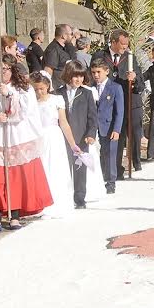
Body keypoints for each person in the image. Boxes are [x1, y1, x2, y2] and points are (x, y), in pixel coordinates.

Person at [0, 55, 53, 232]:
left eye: (5, 69)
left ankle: (14, 215)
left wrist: (10, 95)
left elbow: (27, 110)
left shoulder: (23, 89)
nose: (0, 72)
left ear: (12, 70)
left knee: (15, 178)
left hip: (16, 136)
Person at [93, 29, 144, 179]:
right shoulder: (100, 56)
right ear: (113, 42)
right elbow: (93, 75)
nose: (125, 47)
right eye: (122, 44)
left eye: (127, 44)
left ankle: (130, 163)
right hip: (106, 102)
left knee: (127, 134)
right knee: (112, 136)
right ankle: (112, 170)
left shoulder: (130, 57)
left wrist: (134, 78)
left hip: (127, 100)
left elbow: (140, 82)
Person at [30, 72, 80, 218]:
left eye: (41, 88)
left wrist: (72, 144)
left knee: (56, 169)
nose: (39, 92)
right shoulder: (32, 102)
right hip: (38, 137)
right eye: (36, 89)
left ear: (48, 86)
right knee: (42, 169)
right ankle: (42, 203)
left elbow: (63, 123)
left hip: (53, 136)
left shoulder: (56, 100)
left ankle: (58, 202)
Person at [56, 60, 98, 209]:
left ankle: (80, 198)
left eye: (81, 76)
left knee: (80, 168)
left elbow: (92, 117)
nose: (78, 80)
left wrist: (91, 134)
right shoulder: (58, 93)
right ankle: (64, 196)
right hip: (63, 138)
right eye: (75, 76)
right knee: (64, 167)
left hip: (81, 137)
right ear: (68, 75)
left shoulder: (86, 93)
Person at [89, 58, 123, 193]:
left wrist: (117, 129)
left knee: (109, 154)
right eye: (93, 72)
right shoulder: (90, 88)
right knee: (98, 153)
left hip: (108, 126)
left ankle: (110, 181)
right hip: (93, 127)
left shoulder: (115, 88)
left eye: (98, 72)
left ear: (107, 71)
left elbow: (119, 111)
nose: (96, 75)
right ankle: (98, 178)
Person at [42, 24, 74, 89]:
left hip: (64, 87)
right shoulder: (53, 49)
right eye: (71, 34)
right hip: (57, 89)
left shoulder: (63, 48)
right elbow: (48, 71)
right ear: (64, 36)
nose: (72, 36)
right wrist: (50, 89)